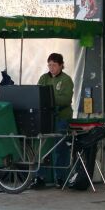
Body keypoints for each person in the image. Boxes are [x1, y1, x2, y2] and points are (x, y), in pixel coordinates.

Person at [31, 53, 74, 189]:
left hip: (61, 118)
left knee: (60, 149)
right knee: (41, 147)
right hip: (44, 118)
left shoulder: (66, 80)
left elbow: (66, 99)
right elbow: (37, 93)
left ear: (61, 65)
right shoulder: (43, 78)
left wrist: (49, 98)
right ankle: (40, 177)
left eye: (54, 65)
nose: (51, 68)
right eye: (49, 65)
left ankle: (60, 178)